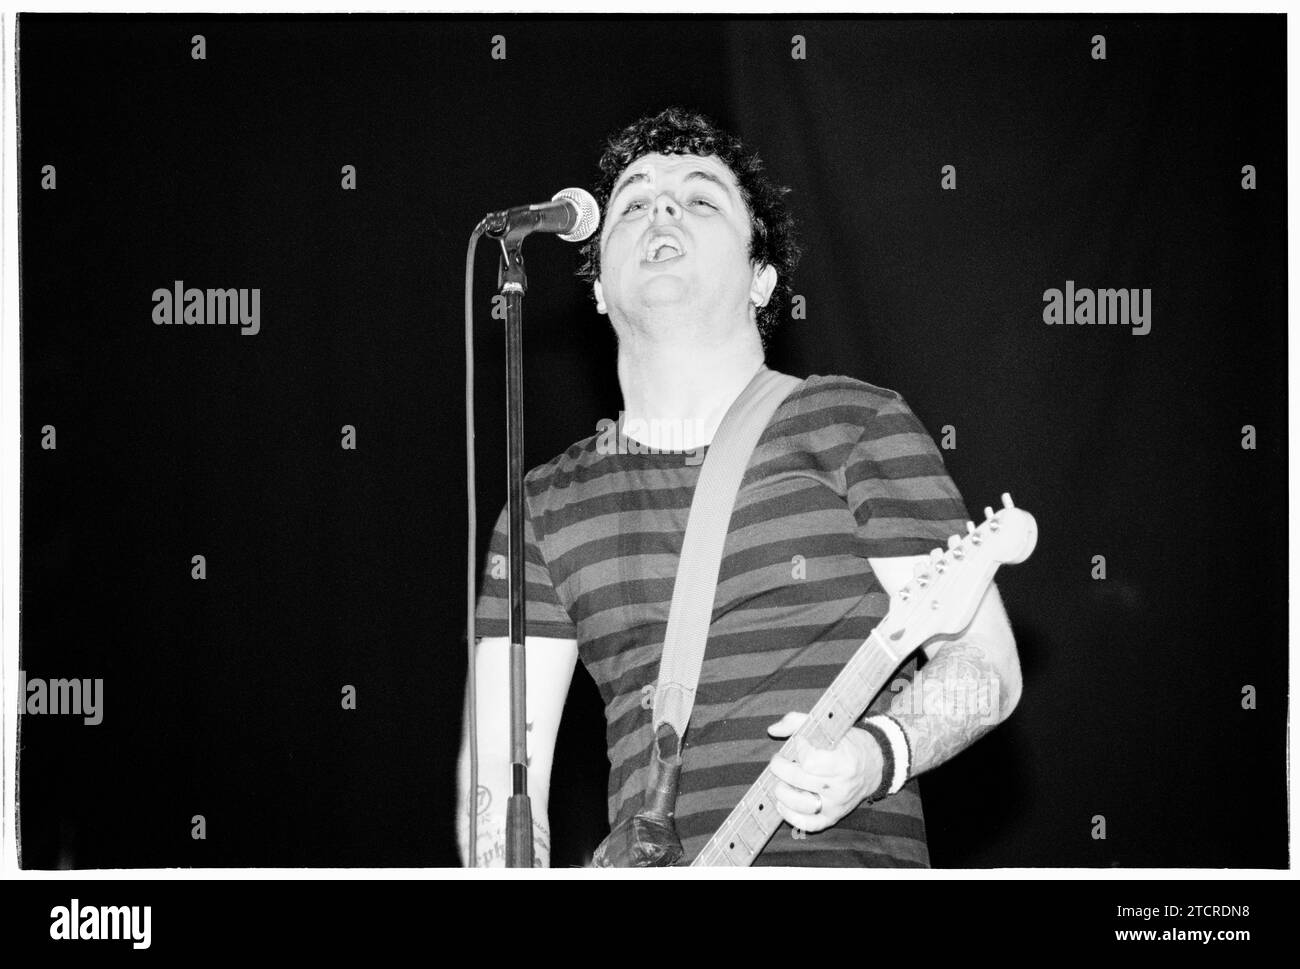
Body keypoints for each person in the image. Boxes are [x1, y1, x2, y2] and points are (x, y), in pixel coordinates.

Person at [457, 106, 1022, 867]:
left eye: (700, 199)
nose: (661, 207)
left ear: (762, 279)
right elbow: (498, 770)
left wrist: (875, 753)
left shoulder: (853, 423)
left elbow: (985, 664)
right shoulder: (542, 507)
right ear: (595, 288)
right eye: (633, 202)